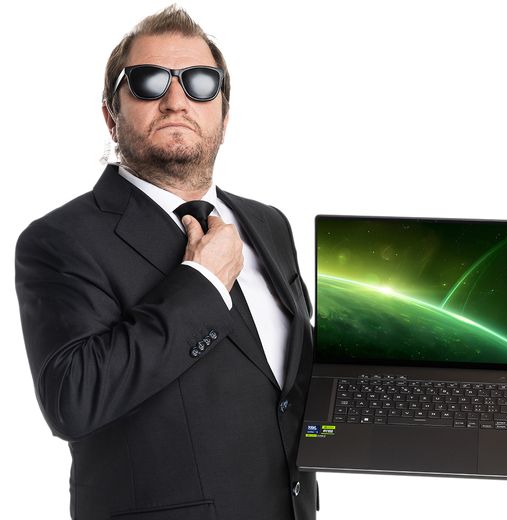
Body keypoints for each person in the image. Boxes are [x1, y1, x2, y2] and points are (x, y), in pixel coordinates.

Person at [15, 5, 317, 520]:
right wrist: (202, 283)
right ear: (110, 115)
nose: (176, 100)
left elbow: (280, 380)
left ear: (224, 114)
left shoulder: (269, 223)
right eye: (148, 81)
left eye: (200, 82)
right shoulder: (59, 240)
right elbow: (73, 400)